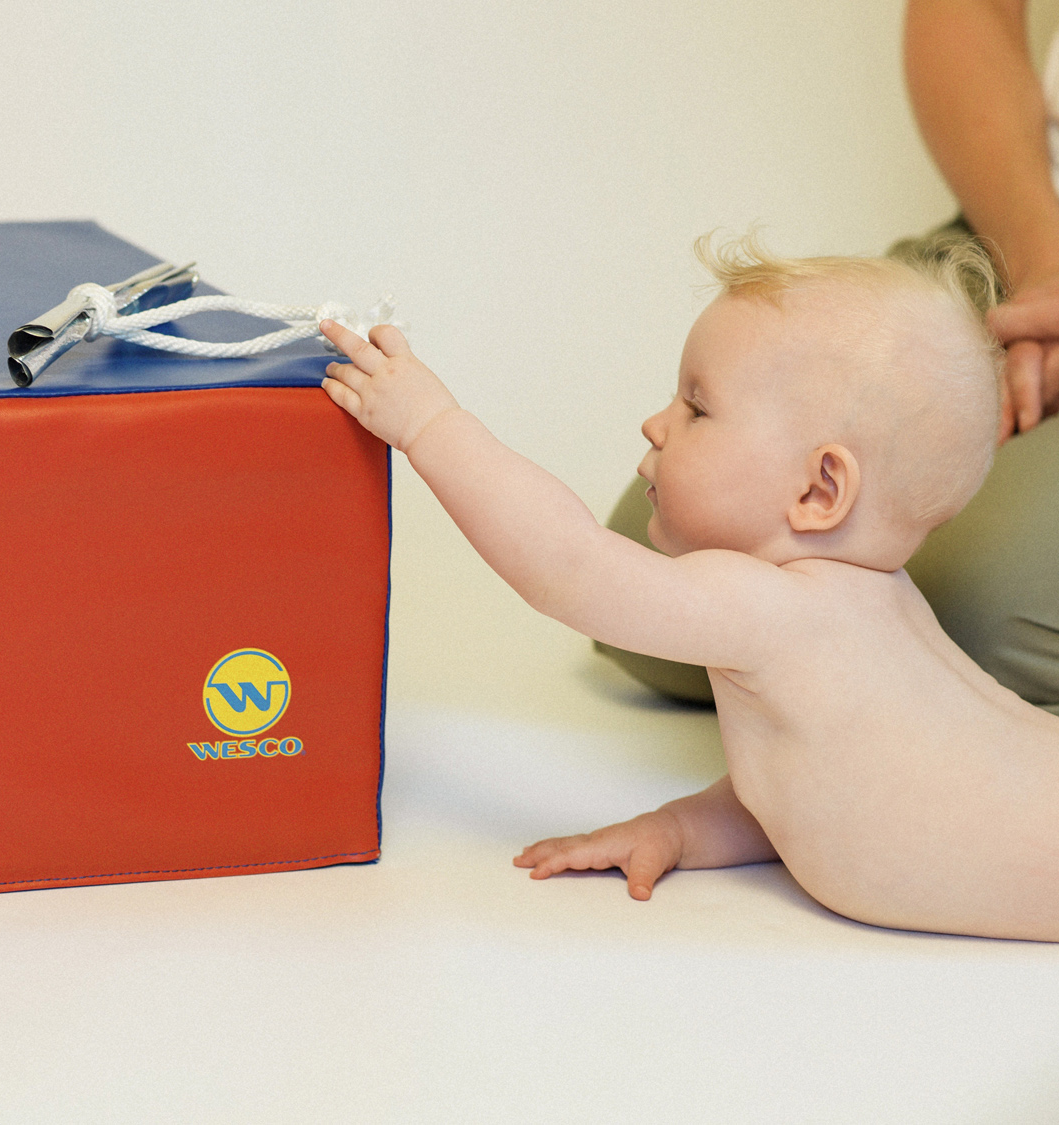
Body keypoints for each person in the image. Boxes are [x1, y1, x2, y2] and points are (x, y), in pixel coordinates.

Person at [319, 241, 1059, 940]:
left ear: (820, 488)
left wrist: (431, 425)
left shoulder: (774, 610)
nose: (656, 423)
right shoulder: (869, 606)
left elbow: (571, 565)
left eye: (697, 408)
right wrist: (679, 826)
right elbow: (815, 791)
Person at [600, 0, 1059, 711]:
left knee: (973, 615)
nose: (659, 418)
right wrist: (1038, 253)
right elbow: (963, 1)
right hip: (1032, 224)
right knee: (653, 567)